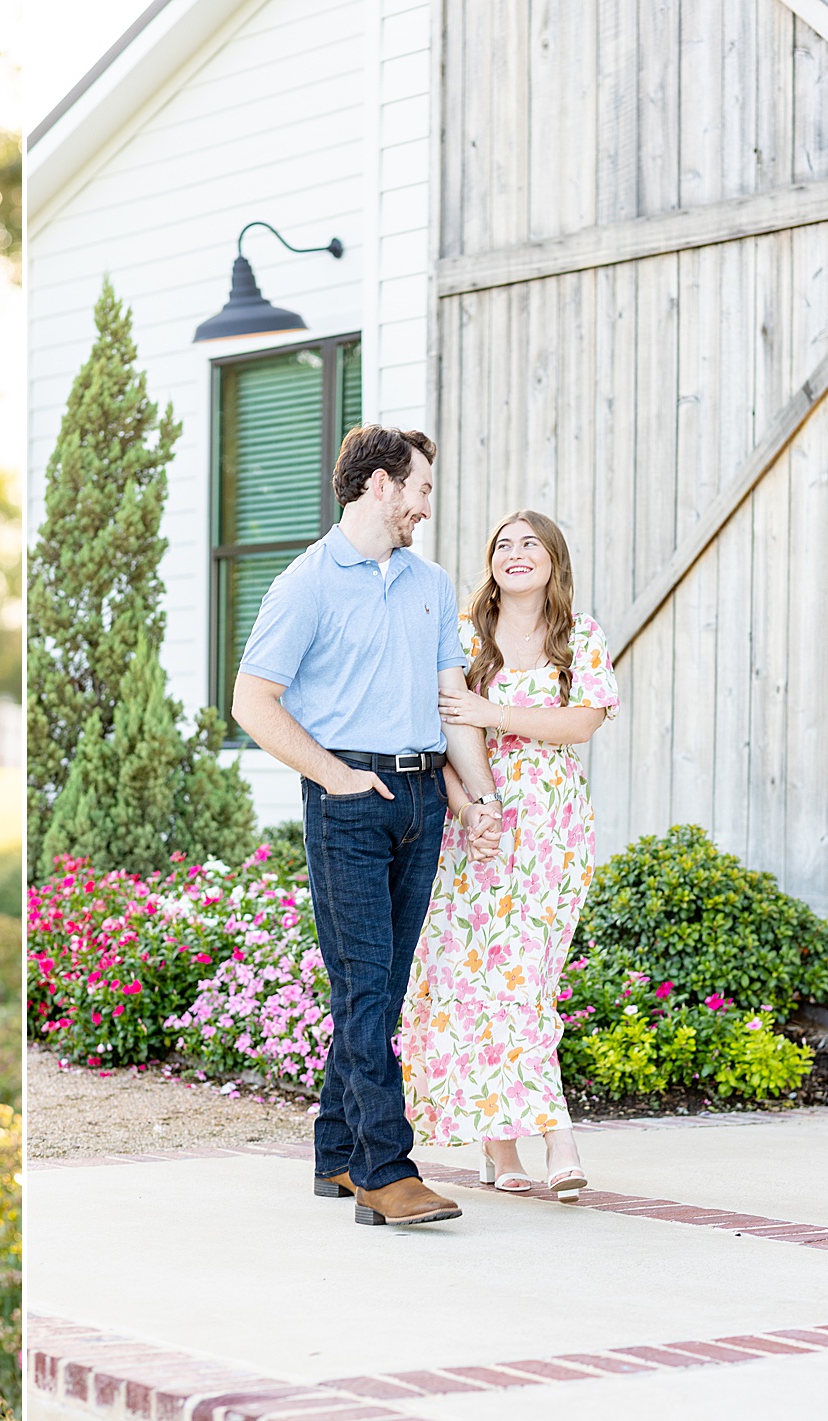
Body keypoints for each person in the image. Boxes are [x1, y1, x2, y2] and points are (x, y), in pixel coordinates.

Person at [231, 424, 500, 1228]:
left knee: (377, 988)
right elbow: (252, 702)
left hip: (421, 799)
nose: (426, 504)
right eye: (419, 487)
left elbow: (451, 703)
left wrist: (475, 798)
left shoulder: (432, 582)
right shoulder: (306, 582)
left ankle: (336, 1150)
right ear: (380, 485)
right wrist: (335, 776)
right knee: (366, 985)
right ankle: (385, 1169)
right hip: (349, 800)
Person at [399, 510, 619, 1197]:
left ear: (554, 559)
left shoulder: (579, 636)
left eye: (530, 543)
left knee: (526, 979)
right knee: (483, 977)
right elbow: (434, 735)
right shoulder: (463, 638)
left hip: (553, 829)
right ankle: (514, 1144)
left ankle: (546, 1131)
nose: (516, 553)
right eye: (503, 544)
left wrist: (493, 714)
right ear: (490, 562)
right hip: (478, 832)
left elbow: (582, 722)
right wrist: (466, 809)